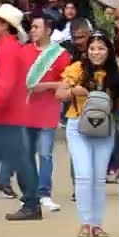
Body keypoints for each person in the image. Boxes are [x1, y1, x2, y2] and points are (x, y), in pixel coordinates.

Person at [57, 32, 119, 237]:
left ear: (109, 51)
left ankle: (97, 224)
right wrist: (74, 92)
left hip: (105, 128)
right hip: (78, 124)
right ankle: (85, 223)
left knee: (98, 177)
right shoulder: (77, 69)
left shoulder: (115, 73)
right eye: (93, 48)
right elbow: (59, 94)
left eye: (101, 48)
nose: (96, 53)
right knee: (84, 175)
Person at [0, 4, 41, 221]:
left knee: (7, 159)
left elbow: (5, 84)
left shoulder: (8, 50)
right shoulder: (4, 48)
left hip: (6, 116)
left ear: (4, 24)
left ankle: (31, 203)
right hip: (2, 115)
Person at [18, 16, 71, 213]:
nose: (32, 30)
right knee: (26, 155)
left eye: (36, 27)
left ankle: (44, 193)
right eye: (31, 27)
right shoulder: (24, 51)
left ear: (48, 30)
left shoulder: (60, 54)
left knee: (45, 154)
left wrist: (44, 86)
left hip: (48, 110)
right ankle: (30, 194)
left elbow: (66, 82)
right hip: (25, 110)